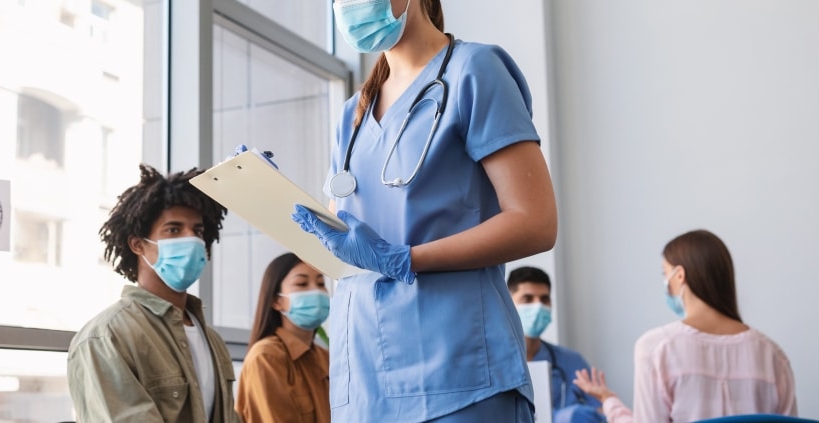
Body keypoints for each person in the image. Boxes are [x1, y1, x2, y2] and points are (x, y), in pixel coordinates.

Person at [290, 0, 558, 421]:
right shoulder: (353, 114)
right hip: (365, 382)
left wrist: (406, 259)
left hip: (459, 373)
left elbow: (535, 222)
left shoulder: (474, 71)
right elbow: (341, 242)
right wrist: (266, 192)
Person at [67, 164, 241, 423]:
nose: (191, 239)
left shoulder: (212, 339)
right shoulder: (107, 336)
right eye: (173, 229)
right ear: (138, 245)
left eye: (198, 231)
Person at [573, 230, 797, 422]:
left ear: (679, 275)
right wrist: (610, 401)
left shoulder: (655, 348)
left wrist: (609, 402)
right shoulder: (773, 356)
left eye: (665, 274)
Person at [237, 253, 332, 423]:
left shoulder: (326, 358)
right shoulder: (266, 357)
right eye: (302, 284)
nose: (316, 291)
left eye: (321, 284)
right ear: (277, 301)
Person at [507, 266, 604, 423]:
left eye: (544, 299)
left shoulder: (571, 361)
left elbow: (602, 411)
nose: (538, 307)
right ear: (508, 304)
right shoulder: (492, 365)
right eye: (528, 299)